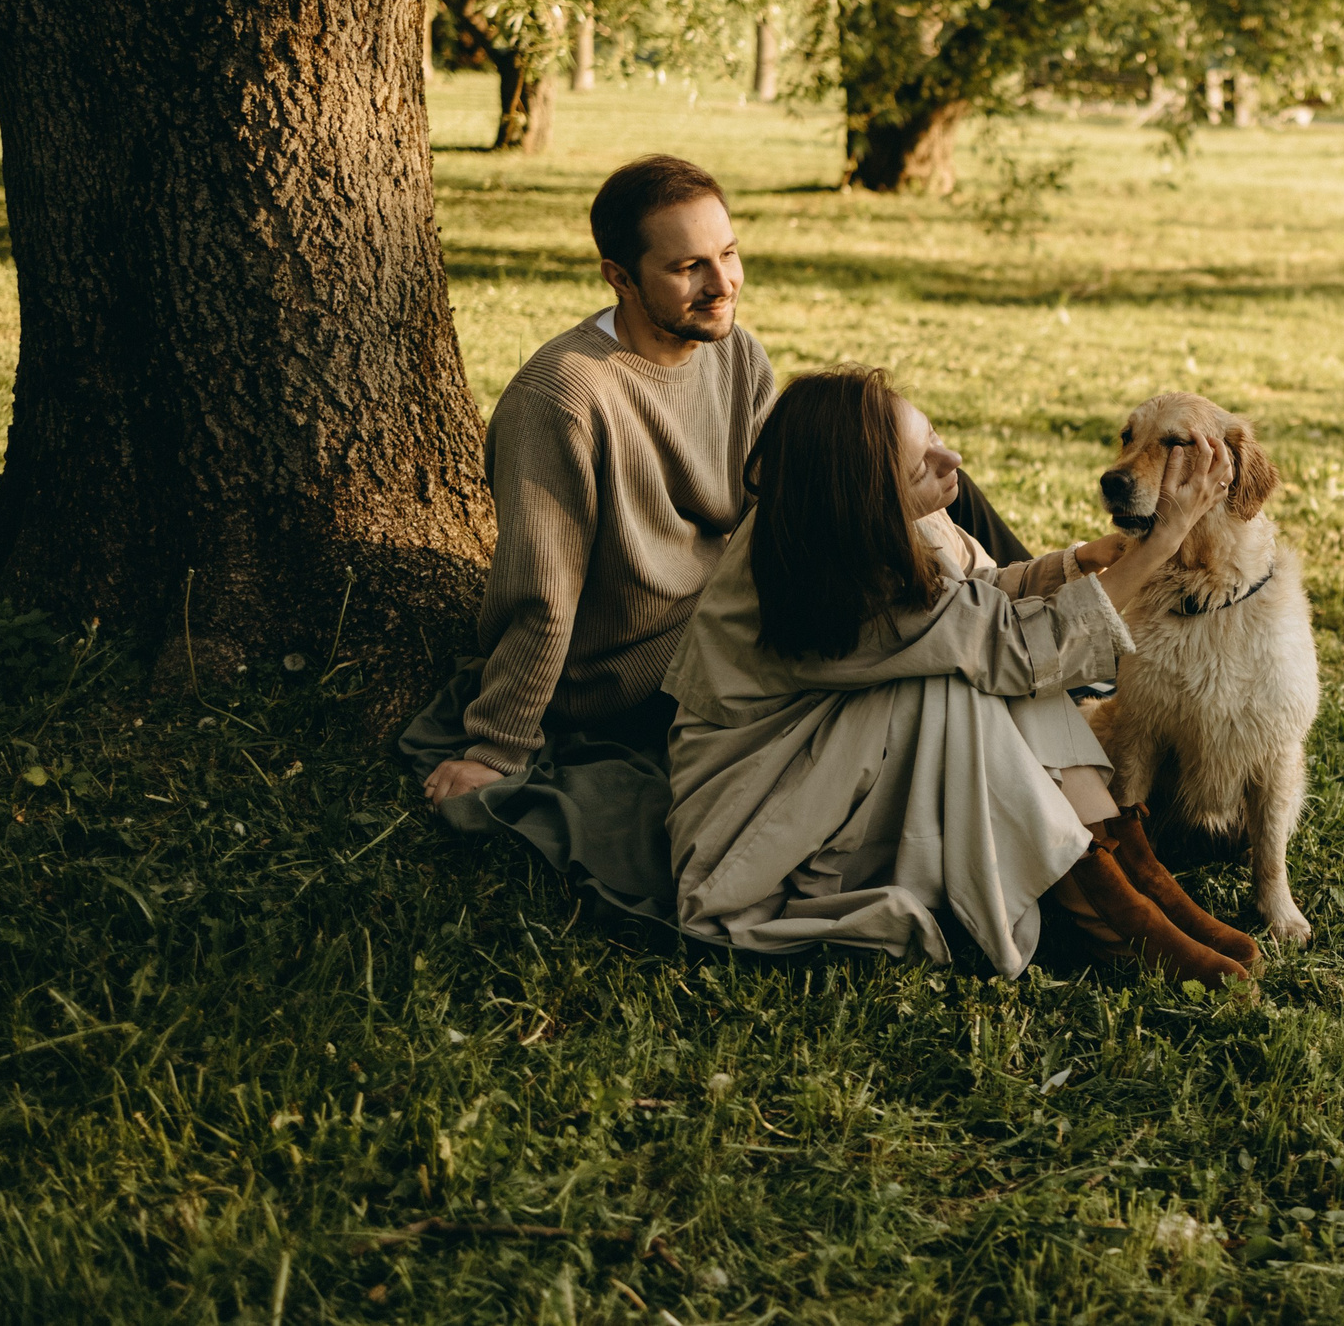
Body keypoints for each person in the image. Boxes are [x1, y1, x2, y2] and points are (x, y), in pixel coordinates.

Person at [396, 155, 1034, 920]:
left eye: (727, 253)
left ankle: (1042, 623)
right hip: (640, 681)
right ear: (620, 277)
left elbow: (779, 503)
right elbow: (542, 597)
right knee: (916, 641)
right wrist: (497, 747)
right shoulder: (563, 398)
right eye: (687, 267)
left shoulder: (735, 354)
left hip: (731, 620)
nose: (722, 282)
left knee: (935, 484)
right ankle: (1035, 679)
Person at [663, 366, 1262, 981]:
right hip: (764, 814)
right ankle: (1101, 911)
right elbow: (1004, 643)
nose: (950, 460)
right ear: (867, 492)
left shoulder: (888, 512)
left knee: (987, 661)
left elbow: (978, 592)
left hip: (836, 764)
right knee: (964, 683)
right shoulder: (836, 565)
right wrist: (1162, 541)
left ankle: (1130, 872)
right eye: (921, 465)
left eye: (934, 436)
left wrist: (1077, 561)